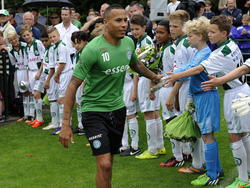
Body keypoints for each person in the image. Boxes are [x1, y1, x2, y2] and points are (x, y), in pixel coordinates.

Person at [58, 4, 161, 188]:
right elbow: (72, 85)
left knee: (108, 163)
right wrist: (66, 124)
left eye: (125, 20)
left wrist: (154, 77)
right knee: (104, 164)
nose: (124, 24)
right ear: (106, 22)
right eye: (118, 20)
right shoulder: (92, 50)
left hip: (117, 110)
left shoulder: (129, 43)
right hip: (94, 112)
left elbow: (136, 65)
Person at [164, 14, 250, 188]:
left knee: (231, 136)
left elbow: (197, 68)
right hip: (238, 91)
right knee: (241, 134)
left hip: (233, 95)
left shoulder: (215, 53)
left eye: (212, 32)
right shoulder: (230, 45)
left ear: (224, 33)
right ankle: (240, 172)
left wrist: (176, 76)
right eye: (209, 31)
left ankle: (236, 178)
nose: (209, 34)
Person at [165, 16, 223, 186]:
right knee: (205, 134)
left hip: (206, 96)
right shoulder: (200, 52)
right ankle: (215, 170)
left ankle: (212, 174)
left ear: (200, 36)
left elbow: (191, 69)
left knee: (207, 135)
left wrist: (174, 76)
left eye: (190, 35)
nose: (188, 38)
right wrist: (173, 76)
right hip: (200, 96)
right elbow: (189, 68)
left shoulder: (205, 52)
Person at [160, 10, 195, 168]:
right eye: (170, 26)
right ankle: (188, 155)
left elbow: (180, 74)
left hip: (184, 88)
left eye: (175, 26)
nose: (172, 29)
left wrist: (172, 95)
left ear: (185, 26)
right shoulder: (183, 43)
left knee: (180, 122)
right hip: (184, 87)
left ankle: (182, 157)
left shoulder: (181, 45)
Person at [129, 14, 165, 159]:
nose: (134, 32)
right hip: (146, 79)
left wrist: (152, 85)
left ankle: (152, 149)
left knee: (149, 113)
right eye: (132, 29)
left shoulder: (147, 43)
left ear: (144, 27)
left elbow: (153, 66)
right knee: (154, 112)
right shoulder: (140, 41)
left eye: (137, 29)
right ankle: (159, 146)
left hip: (147, 80)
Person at [48, 26, 73, 135]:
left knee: (62, 99)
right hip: (61, 74)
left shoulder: (62, 47)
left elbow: (62, 64)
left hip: (65, 73)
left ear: (58, 35)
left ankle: (65, 125)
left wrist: (57, 76)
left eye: (54, 36)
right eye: (50, 37)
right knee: (61, 99)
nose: (53, 39)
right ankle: (63, 124)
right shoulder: (54, 47)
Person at [20, 25, 45, 127]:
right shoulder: (26, 47)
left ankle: (40, 119)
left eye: (27, 34)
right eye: (24, 36)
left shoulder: (38, 43)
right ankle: (36, 118)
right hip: (30, 73)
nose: (26, 37)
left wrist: (40, 72)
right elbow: (26, 63)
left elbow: (44, 59)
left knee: (37, 95)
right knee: (33, 95)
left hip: (38, 72)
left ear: (31, 33)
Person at [6, 31, 28, 122]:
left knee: (30, 92)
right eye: (11, 40)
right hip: (19, 72)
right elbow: (13, 62)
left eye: (14, 38)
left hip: (27, 71)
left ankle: (31, 114)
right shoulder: (10, 50)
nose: (13, 41)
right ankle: (25, 114)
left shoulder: (25, 46)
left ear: (18, 37)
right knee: (23, 92)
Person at [41, 32, 60, 131]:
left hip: (51, 77)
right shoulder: (47, 50)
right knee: (53, 98)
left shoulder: (52, 49)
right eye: (42, 41)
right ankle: (55, 121)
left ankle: (55, 122)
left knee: (53, 99)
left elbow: (51, 67)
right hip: (49, 76)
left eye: (46, 40)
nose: (44, 43)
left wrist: (47, 80)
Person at [71, 31, 89, 135]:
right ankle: (80, 125)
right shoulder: (77, 53)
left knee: (84, 103)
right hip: (78, 80)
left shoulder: (86, 53)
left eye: (79, 43)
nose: (76, 46)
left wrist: (85, 83)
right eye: (75, 43)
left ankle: (86, 126)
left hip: (84, 82)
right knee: (78, 103)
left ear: (85, 42)